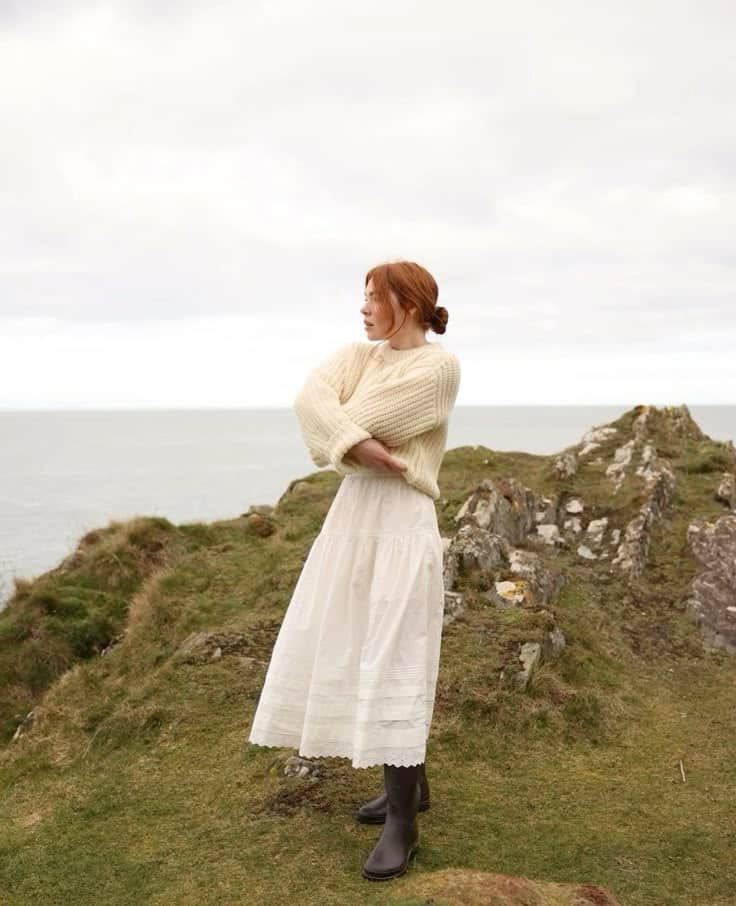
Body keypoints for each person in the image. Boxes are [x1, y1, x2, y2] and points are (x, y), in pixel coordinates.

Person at [247, 259, 461, 881]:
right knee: (354, 640)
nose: (363, 308)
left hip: (401, 520)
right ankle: (410, 789)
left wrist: (344, 430)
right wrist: (355, 446)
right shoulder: (354, 353)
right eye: (363, 297)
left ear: (410, 303)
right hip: (353, 517)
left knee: (395, 655)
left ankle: (403, 825)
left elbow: (372, 415)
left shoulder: (439, 367)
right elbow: (306, 401)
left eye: (374, 298)